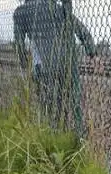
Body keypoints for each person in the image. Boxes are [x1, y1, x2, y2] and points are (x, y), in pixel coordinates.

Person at [13, 0, 95, 135]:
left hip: (42, 66)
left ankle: (54, 133)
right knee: (70, 100)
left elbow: (19, 45)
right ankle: (75, 132)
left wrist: (24, 63)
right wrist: (92, 52)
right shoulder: (58, 8)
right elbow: (80, 29)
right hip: (65, 62)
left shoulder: (21, 12)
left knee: (48, 103)